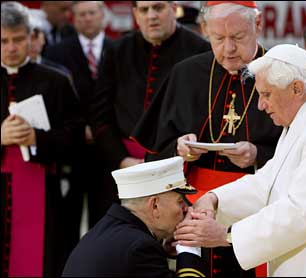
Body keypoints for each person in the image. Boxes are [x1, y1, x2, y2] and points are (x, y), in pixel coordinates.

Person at [173, 44, 306, 277]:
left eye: (266, 94)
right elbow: (269, 180)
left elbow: (303, 211)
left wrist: (227, 235)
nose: (260, 105)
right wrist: (215, 199)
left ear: (296, 88)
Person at [132, 2, 282, 276]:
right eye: (218, 39)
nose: (228, 49)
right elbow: (154, 153)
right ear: (205, 30)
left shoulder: (280, 74)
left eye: (237, 38)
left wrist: (257, 154)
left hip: (258, 210)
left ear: (257, 25)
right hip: (193, 209)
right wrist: (178, 150)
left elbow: (301, 150)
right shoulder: (186, 74)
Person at [89, 1, 210, 220]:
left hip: (177, 169)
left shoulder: (199, 50)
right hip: (121, 169)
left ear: (173, 9)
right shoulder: (117, 51)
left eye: (158, 8)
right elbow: (100, 116)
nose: (151, 16)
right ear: (135, 14)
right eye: (144, 10)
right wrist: (121, 159)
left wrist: (170, 158)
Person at [0, 2, 84, 277]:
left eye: (18, 39)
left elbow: (75, 139)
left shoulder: (56, 81)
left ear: (31, 37)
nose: (11, 47)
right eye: (3, 41)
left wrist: (37, 137)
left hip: (42, 188)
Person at [44, 0, 115, 258]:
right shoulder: (57, 53)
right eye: (81, 14)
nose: (87, 18)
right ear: (73, 19)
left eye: (92, 13)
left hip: (107, 152)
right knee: (66, 221)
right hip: (71, 153)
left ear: (102, 16)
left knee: (104, 218)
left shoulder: (117, 49)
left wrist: (99, 129)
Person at [62, 156, 208, 277]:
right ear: (154, 205)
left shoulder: (107, 231)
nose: (186, 208)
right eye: (180, 201)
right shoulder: (140, 248)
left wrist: (163, 250)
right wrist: (189, 248)